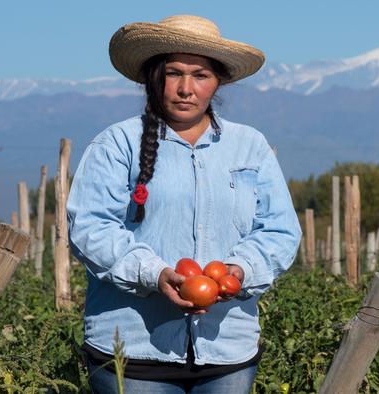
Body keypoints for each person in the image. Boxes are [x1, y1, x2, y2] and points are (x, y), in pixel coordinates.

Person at [67, 15, 302, 393]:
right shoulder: (117, 144)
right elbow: (91, 228)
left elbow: (278, 230)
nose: (185, 88)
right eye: (174, 73)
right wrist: (154, 274)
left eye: (201, 76)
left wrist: (240, 270)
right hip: (134, 348)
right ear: (153, 77)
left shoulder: (250, 146)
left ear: (218, 82)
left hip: (227, 351)